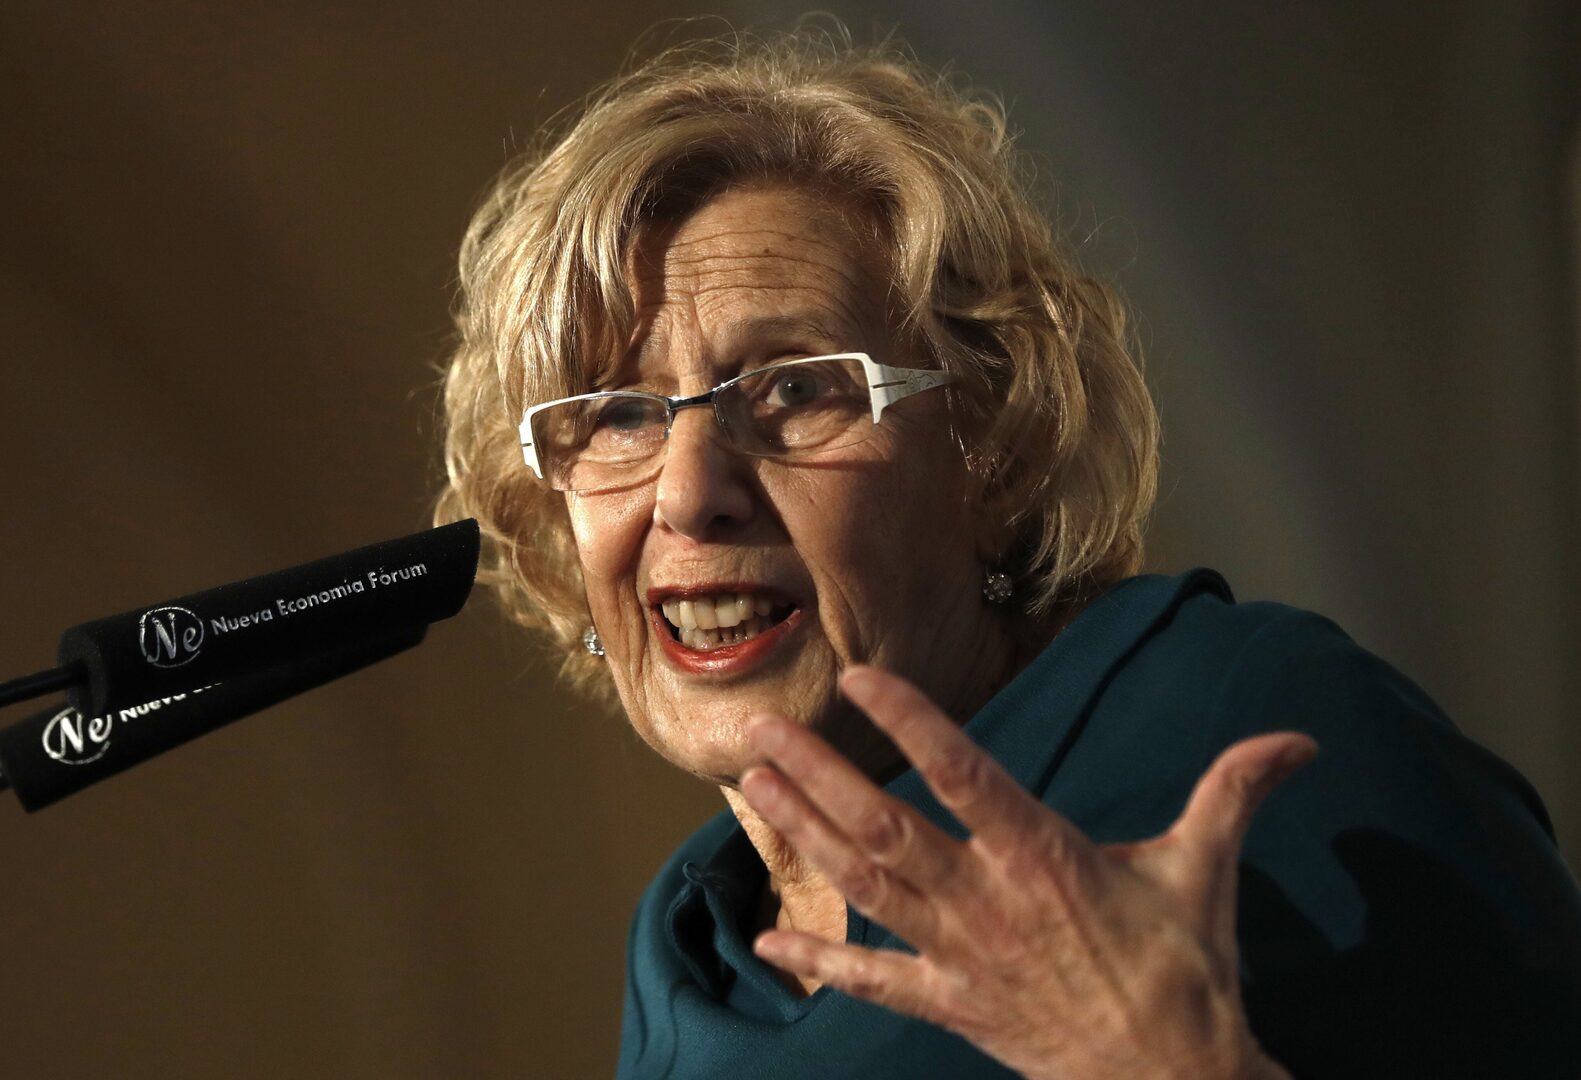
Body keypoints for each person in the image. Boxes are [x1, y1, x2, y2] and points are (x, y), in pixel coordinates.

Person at [433, 29, 1581, 1079]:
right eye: (617, 416)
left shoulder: (1238, 721)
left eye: (795, 389)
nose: (690, 493)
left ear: (996, 446)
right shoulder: (690, 952)